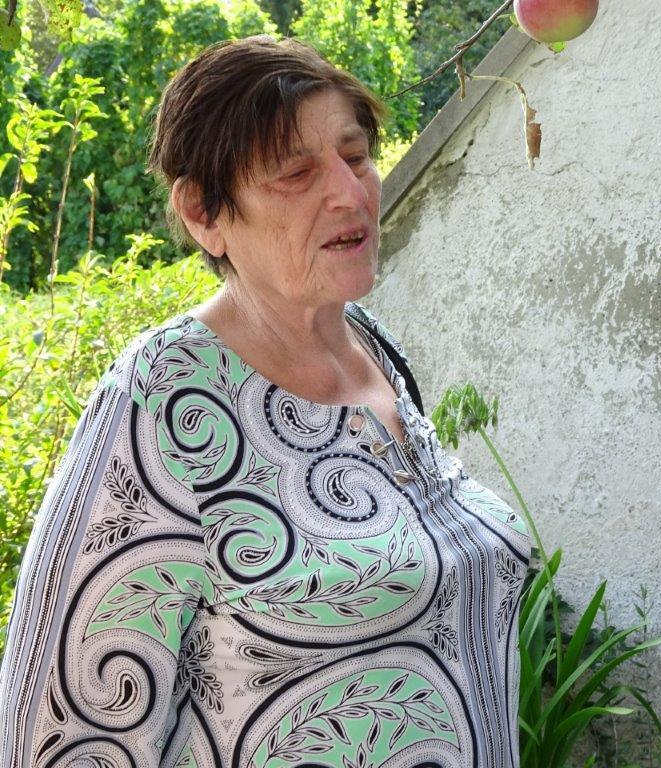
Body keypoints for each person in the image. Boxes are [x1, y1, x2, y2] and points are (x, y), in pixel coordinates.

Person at [0, 35, 531, 768]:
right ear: (204, 212)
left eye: (355, 156)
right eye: (295, 173)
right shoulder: (162, 399)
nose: (350, 193)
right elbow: (56, 735)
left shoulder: (371, 347)